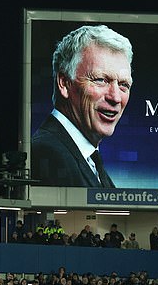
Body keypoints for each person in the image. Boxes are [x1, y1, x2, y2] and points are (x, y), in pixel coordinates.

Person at [31, 25, 133, 187]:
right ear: (64, 83)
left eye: (123, 85)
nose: (115, 97)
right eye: (101, 80)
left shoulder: (88, 160)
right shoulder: (47, 154)